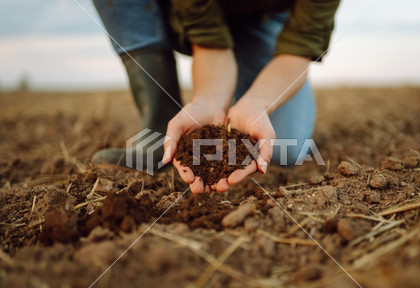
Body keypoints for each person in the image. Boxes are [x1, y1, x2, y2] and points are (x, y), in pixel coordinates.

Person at [92, 0, 341, 194]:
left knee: (285, 150)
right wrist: (206, 103)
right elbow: (210, 43)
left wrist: (256, 104)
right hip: (175, 13)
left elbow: (297, 52)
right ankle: (159, 130)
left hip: (263, 21)